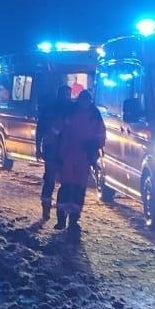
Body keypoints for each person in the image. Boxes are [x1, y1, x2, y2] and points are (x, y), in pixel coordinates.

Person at [53, 91, 106, 230]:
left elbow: (101, 135)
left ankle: (73, 220)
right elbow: (57, 131)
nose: (85, 103)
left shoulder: (94, 115)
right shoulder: (70, 112)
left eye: (87, 101)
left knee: (78, 189)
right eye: (83, 101)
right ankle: (61, 219)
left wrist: (94, 146)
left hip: (83, 158)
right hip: (67, 156)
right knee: (66, 187)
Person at [35, 85, 73, 221]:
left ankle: (61, 214)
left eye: (68, 95)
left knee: (65, 182)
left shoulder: (71, 110)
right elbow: (40, 129)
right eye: (65, 94)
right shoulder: (51, 110)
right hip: (51, 149)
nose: (66, 97)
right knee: (49, 181)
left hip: (65, 151)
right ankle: (46, 210)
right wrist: (38, 148)